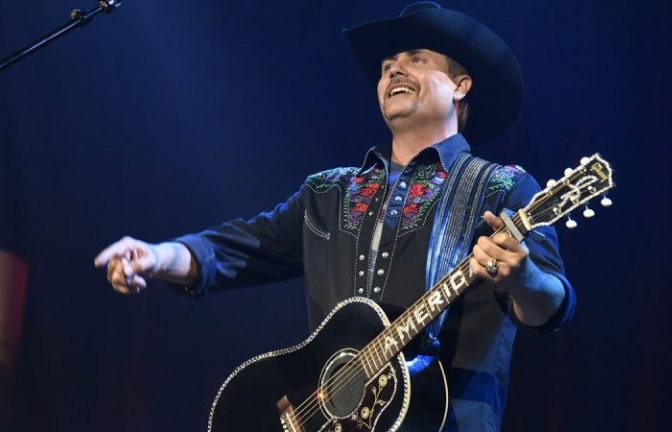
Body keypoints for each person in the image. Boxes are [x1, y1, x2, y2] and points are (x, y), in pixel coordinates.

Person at [94, 2, 575, 431]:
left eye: (416, 59)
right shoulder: (329, 191)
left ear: (460, 86)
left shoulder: (502, 187)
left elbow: (550, 306)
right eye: (386, 67)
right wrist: (156, 257)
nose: (394, 70)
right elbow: (238, 249)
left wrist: (523, 277)